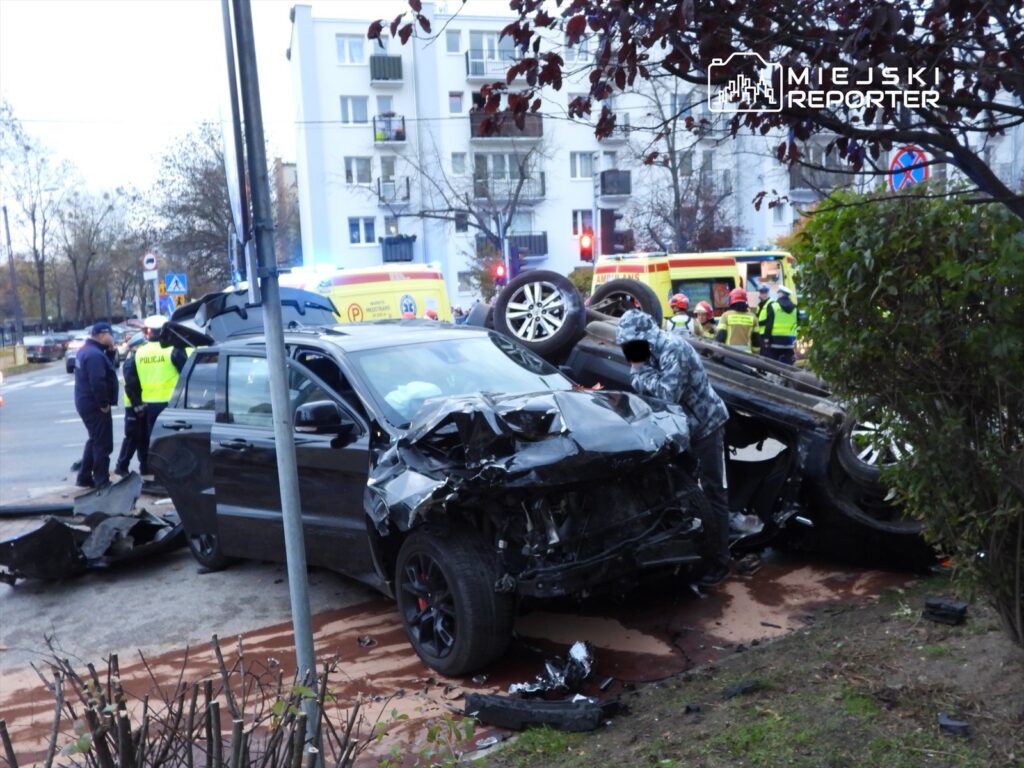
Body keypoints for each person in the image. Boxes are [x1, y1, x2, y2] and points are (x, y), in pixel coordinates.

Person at [615, 309, 732, 586]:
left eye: (631, 345)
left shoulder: (673, 349)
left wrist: (639, 372)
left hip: (707, 425)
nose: (629, 352)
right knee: (684, 492)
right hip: (683, 431)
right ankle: (693, 552)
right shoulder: (649, 352)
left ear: (644, 338)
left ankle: (720, 561)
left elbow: (667, 395)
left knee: (714, 492)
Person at [126, 315, 187, 475]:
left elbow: (132, 382)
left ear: (149, 332)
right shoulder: (173, 350)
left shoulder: (139, 353)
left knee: (154, 440)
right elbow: (186, 375)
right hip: (172, 403)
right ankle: (173, 472)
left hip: (149, 405)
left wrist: (137, 404)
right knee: (173, 440)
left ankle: (156, 471)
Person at [73, 321, 119, 488]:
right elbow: (98, 380)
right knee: (103, 443)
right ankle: (102, 480)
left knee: (94, 439)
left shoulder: (89, 351)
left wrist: (111, 354)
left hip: (85, 402)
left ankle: (84, 476)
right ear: (102, 335)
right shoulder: (94, 355)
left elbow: (104, 370)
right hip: (95, 405)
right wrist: (103, 403)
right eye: (110, 335)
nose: (113, 338)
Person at [114, 333, 147, 476]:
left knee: (142, 437)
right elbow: (131, 387)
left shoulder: (134, 360)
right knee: (133, 437)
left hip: (137, 404)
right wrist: (138, 406)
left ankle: (145, 466)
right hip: (133, 406)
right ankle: (121, 466)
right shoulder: (131, 362)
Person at [762, 285, 799, 365]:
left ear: (781, 294)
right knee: (788, 368)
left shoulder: (773, 306)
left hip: (775, 343)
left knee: (773, 366)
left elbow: (769, 325)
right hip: (789, 343)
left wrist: (766, 340)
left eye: (778, 292)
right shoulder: (795, 308)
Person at [715, 287, 761, 352]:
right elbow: (756, 339)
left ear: (731, 300)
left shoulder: (726, 316)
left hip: (729, 355)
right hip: (747, 356)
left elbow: (720, 337)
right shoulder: (753, 317)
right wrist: (756, 351)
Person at [755, 284, 774, 354]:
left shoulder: (771, 304)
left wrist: (758, 323)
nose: (761, 294)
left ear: (767, 293)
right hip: (759, 333)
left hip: (766, 334)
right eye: (761, 292)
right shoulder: (760, 304)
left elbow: (769, 321)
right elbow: (757, 316)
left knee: (766, 353)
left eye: (763, 292)